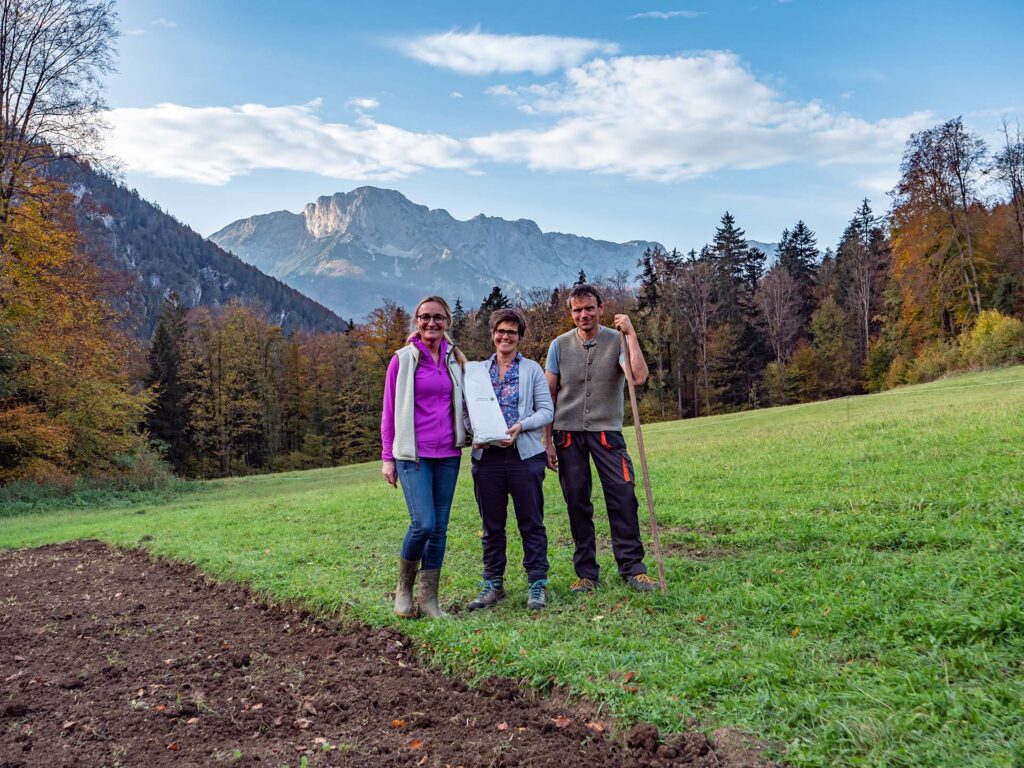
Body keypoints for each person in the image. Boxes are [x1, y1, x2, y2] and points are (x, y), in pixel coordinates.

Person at [543, 283, 660, 593]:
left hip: (607, 433)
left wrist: (631, 335)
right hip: (567, 434)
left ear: (600, 309)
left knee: (623, 494)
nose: (584, 314)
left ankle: (633, 568)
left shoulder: (617, 339)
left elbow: (638, 377)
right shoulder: (558, 346)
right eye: (577, 310)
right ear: (571, 313)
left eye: (589, 308)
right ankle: (586, 574)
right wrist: (547, 442)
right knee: (577, 500)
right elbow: (549, 395)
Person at [381, 296, 467, 619]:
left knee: (439, 529)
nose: (431, 323)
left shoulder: (456, 360)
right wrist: (387, 457)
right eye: (425, 317)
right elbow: (389, 412)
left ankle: (429, 600)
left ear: (447, 321)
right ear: (417, 321)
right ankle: (404, 588)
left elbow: (469, 402)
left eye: (438, 317)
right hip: (413, 456)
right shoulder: (402, 360)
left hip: (449, 455)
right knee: (423, 524)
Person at [467, 309, 554, 611]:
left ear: (519, 337)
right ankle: (493, 583)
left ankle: (537, 583)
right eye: (501, 331)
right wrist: (476, 433)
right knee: (491, 525)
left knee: (531, 522)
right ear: (493, 333)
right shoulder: (477, 372)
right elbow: (465, 410)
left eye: (512, 332)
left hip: (524, 457)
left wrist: (521, 426)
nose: (506, 336)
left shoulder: (532, 370)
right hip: (487, 458)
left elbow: (546, 411)